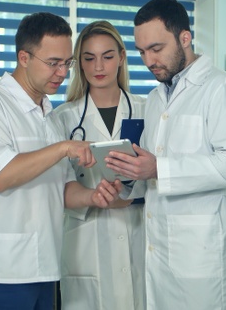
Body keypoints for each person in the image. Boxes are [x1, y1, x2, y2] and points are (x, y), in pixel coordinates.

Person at [0, 12, 122, 310]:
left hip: (45, 266)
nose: (62, 72)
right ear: (24, 57)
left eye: (67, 63)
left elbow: (61, 190)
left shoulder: (48, 115)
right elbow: (1, 176)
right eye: (53, 63)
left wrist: (94, 197)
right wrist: (63, 148)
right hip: (1, 270)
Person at [105, 0, 226, 310]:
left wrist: (159, 169)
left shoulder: (221, 88)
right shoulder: (157, 97)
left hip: (200, 253)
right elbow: (148, 166)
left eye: (156, 48)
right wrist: (128, 178)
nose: (148, 60)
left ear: (184, 38)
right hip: (159, 249)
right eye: (142, 51)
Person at [53, 20, 147, 310]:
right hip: (85, 237)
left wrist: (129, 194)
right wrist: (96, 198)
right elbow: (57, 188)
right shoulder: (63, 118)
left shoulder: (148, 110)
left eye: (107, 56)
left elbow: (160, 171)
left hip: (137, 229)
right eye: (89, 58)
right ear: (79, 63)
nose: (99, 66)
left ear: (121, 57)